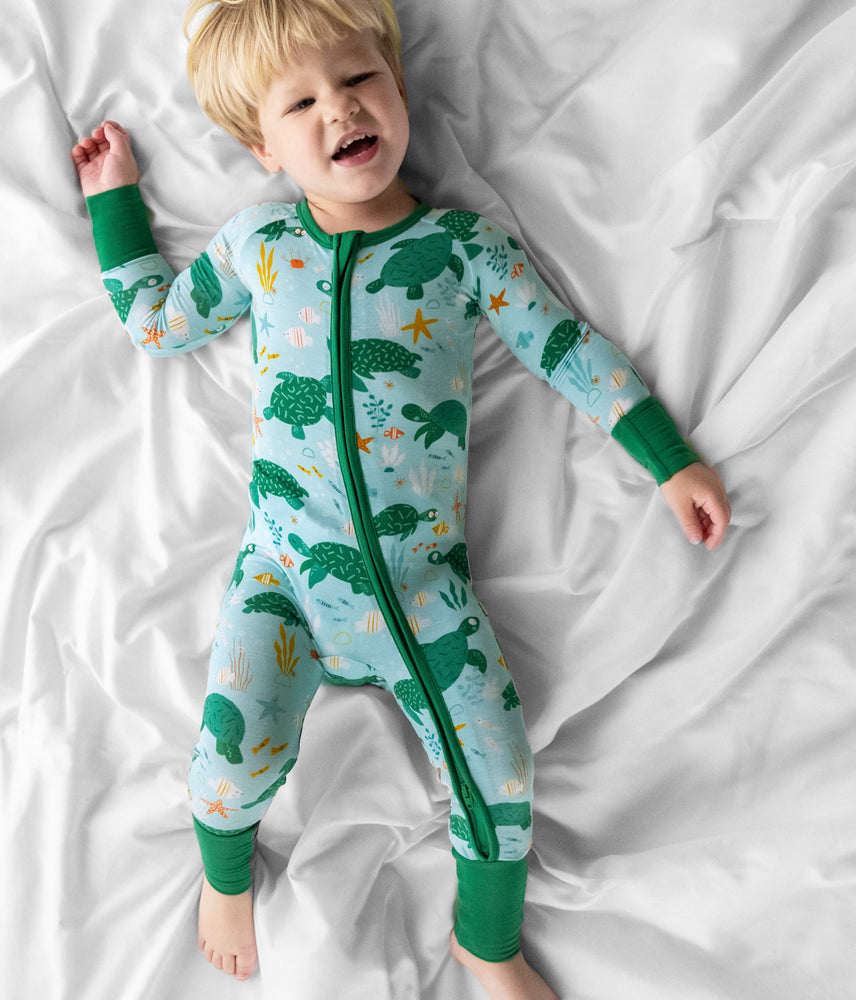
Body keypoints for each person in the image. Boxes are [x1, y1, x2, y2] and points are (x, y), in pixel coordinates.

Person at [71, 1, 731, 996]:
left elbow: (564, 350)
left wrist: (667, 456)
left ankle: (486, 941)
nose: (339, 110)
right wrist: (114, 203)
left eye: (357, 81)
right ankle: (223, 872)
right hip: (284, 583)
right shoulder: (258, 243)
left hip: (426, 595)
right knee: (226, 756)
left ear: (398, 90)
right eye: (301, 102)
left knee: (502, 775)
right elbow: (159, 321)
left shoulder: (464, 248)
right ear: (262, 145)